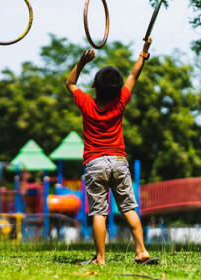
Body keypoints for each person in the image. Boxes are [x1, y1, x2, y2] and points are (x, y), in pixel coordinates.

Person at [66, 38, 158, 265]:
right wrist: (143, 53)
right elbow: (134, 75)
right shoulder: (120, 102)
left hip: (95, 163)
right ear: (118, 89)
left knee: (99, 212)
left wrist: (81, 62)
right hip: (118, 161)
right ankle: (141, 251)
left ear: (95, 86)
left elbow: (70, 83)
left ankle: (100, 258)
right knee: (128, 207)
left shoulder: (87, 103)